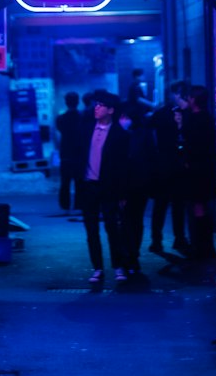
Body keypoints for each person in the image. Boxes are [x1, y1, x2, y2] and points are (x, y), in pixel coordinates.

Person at [78, 91, 130, 284]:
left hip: (108, 187)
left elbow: (123, 166)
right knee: (91, 229)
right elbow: (79, 156)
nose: (96, 108)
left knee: (112, 228)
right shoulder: (86, 129)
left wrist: (122, 192)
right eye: (96, 105)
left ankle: (118, 266)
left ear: (110, 110)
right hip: (89, 185)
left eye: (101, 105)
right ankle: (97, 268)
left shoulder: (119, 134)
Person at [148, 81, 189, 255]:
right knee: (164, 204)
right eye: (178, 94)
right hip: (167, 164)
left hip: (174, 165)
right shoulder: (163, 114)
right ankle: (160, 240)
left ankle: (174, 239)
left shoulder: (185, 114)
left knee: (173, 204)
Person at [118, 96, 157, 276]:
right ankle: (131, 255)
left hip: (133, 184)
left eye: (125, 116)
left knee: (129, 220)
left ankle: (130, 255)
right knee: (133, 220)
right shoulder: (143, 134)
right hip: (139, 184)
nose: (122, 119)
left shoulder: (128, 136)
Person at [178, 85, 216, 261]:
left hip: (196, 169)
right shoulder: (206, 118)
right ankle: (204, 246)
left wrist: (181, 125)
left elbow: (190, 142)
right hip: (204, 168)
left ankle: (202, 248)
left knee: (198, 207)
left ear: (193, 100)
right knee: (201, 206)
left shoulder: (195, 119)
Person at [55, 91, 89, 214]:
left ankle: (65, 206)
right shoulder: (82, 117)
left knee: (65, 181)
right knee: (79, 181)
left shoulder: (61, 118)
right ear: (78, 101)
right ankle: (79, 205)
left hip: (66, 152)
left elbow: (60, 130)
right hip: (79, 152)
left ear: (66, 102)